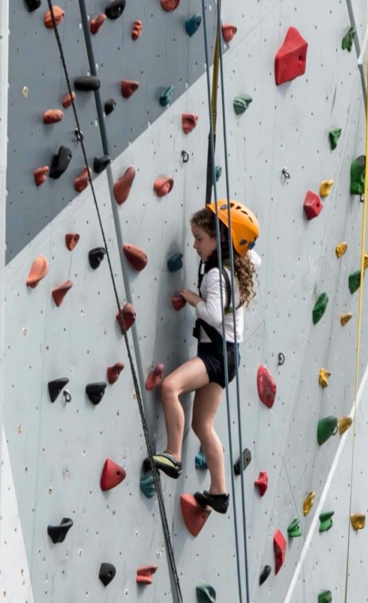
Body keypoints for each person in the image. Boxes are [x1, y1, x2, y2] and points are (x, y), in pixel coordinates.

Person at [148, 200, 260, 515]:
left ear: (220, 240)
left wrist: (191, 297)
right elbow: (254, 255)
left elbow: (211, 313)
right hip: (229, 356)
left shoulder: (214, 277)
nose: (195, 245)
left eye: (200, 238)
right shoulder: (240, 264)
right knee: (203, 425)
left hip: (215, 353)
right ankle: (219, 492)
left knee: (170, 388)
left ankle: (172, 455)